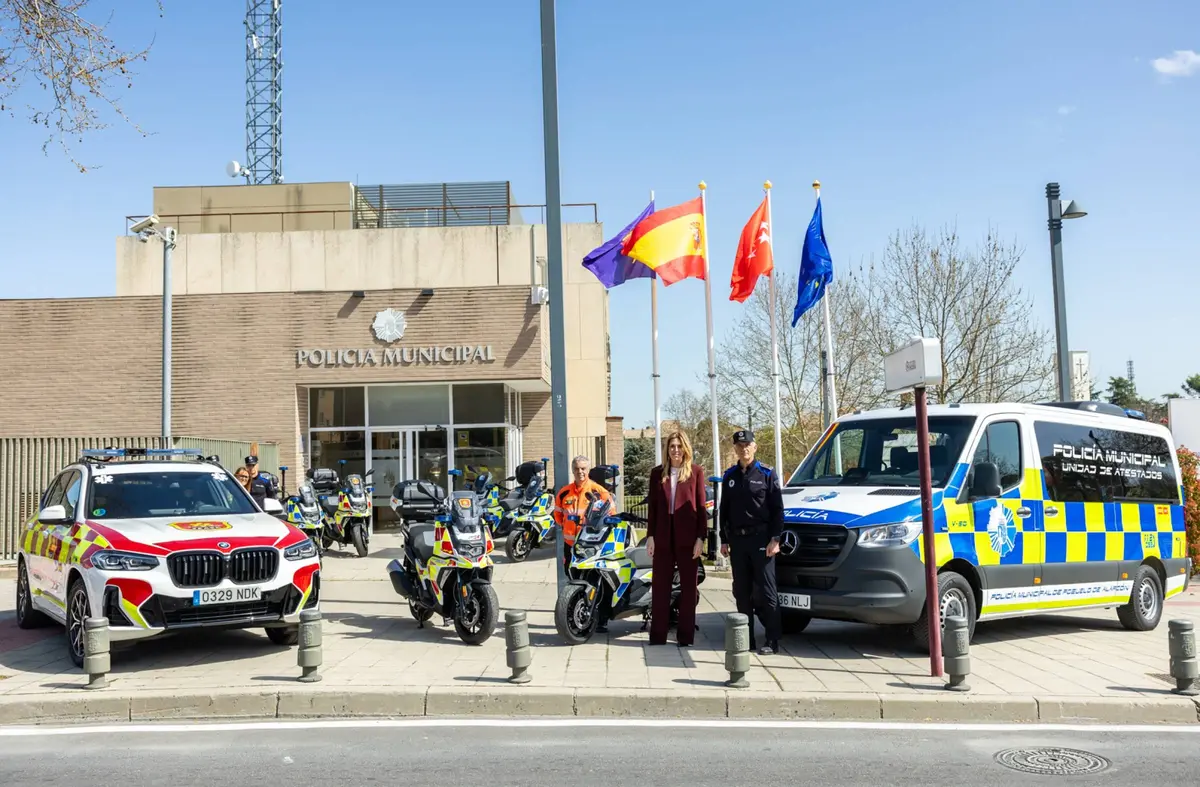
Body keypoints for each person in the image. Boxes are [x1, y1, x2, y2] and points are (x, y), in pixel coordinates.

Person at [719, 429, 784, 655]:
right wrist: (723, 539)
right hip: (738, 541)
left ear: (754, 447)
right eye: (739, 446)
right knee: (741, 592)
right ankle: (746, 639)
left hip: (762, 540)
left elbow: (778, 510)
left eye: (747, 445)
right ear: (735, 449)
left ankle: (772, 640)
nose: (743, 449)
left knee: (767, 592)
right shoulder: (730, 477)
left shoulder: (766, 474)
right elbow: (723, 511)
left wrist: (775, 539)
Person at [646, 430, 707, 648]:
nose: (676, 450)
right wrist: (650, 536)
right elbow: (652, 509)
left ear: (686, 449)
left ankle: (685, 636)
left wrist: (701, 538)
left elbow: (701, 509)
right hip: (662, 536)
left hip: (687, 537)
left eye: (680, 446)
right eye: (672, 446)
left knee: (688, 588)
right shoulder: (656, 474)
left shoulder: (696, 473)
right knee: (660, 586)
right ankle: (658, 635)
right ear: (667, 450)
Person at [553, 456, 613, 628]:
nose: (580, 472)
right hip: (571, 547)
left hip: (592, 547)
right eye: (577, 468)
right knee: (574, 581)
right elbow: (558, 515)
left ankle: (599, 620)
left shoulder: (599, 491)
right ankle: (576, 617)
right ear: (573, 470)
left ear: (588, 470)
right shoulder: (564, 492)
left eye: (583, 468)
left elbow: (611, 516)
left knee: (594, 582)